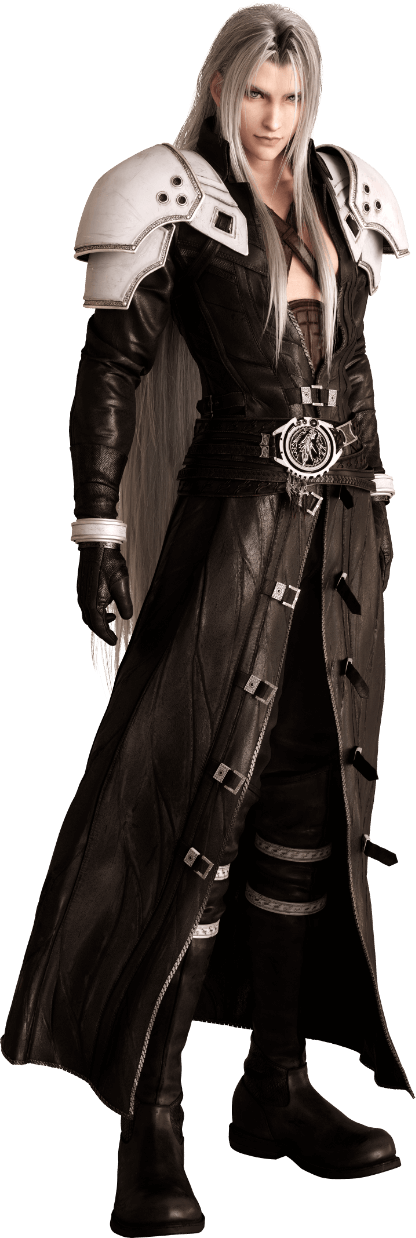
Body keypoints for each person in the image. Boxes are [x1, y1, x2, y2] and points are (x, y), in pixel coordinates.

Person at [1, 5, 413, 1233]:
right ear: (220, 91)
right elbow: (109, 372)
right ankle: (154, 1115)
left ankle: (274, 1085)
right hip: (231, 534)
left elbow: (353, 372)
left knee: (306, 802)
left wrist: (377, 506)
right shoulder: (172, 197)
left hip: (336, 544)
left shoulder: (342, 195)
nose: (270, 121)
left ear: (309, 98)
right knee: (198, 802)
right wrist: (96, 534)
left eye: (289, 98)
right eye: (252, 97)